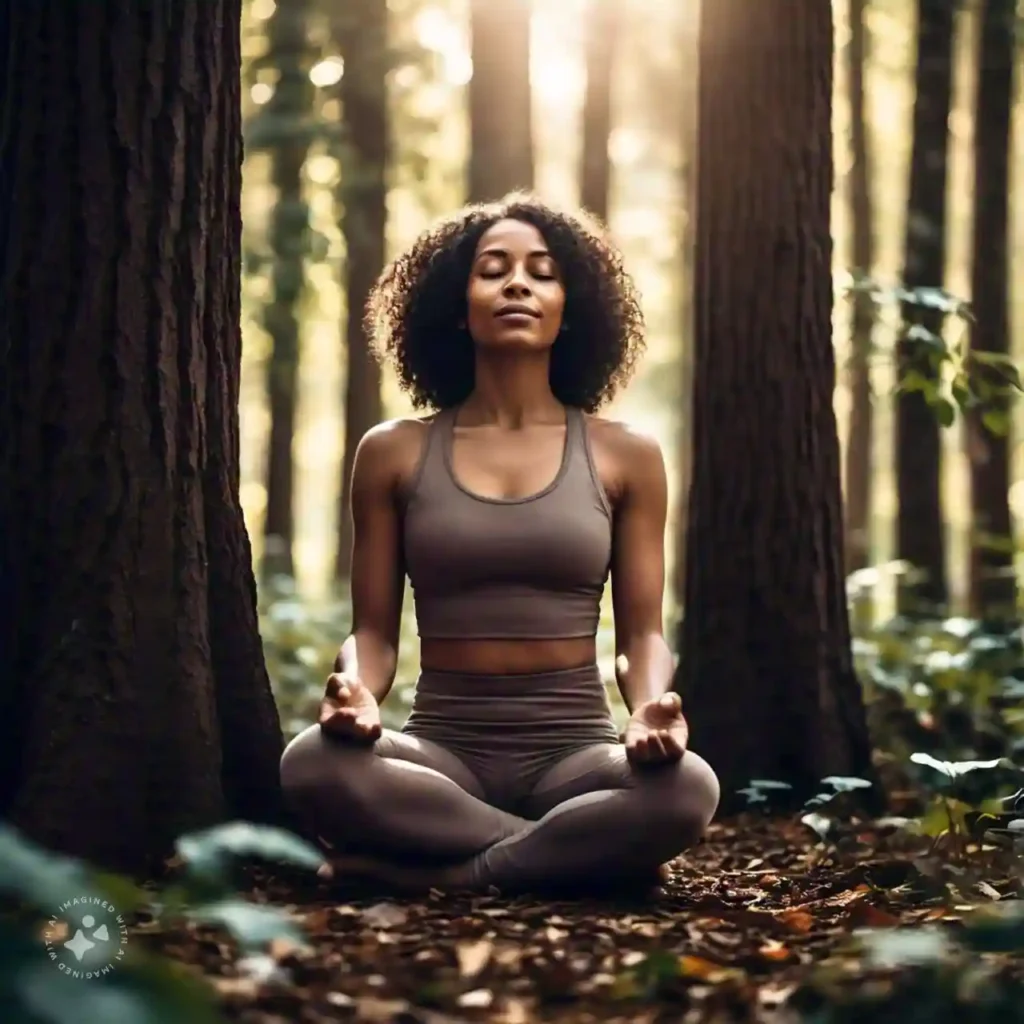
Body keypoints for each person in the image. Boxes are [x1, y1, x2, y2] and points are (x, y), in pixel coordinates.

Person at [280, 193, 720, 894]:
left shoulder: (625, 454)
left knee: (689, 787)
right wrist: (355, 694)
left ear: (570, 309)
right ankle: (581, 860)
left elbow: (643, 635)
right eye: (494, 269)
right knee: (310, 762)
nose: (518, 283)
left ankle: (448, 875)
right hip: (442, 752)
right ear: (458, 306)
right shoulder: (393, 451)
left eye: (542, 272)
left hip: (576, 755)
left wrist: (649, 710)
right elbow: (373, 631)